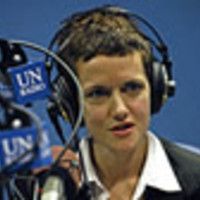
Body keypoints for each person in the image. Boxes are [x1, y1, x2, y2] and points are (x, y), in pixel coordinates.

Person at [48, 5, 200, 200]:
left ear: (156, 88)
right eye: (98, 93)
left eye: (132, 88)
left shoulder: (196, 179)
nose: (120, 110)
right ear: (70, 103)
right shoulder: (48, 190)